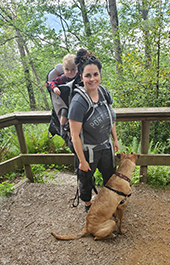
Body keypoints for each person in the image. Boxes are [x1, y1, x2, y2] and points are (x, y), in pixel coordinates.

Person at [68, 48, 119, 212]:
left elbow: (110, 118)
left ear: (100, 74)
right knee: (86, 180)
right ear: (81, 77)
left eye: (95, 74)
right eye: (88, 75)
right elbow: (74, 135)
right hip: (88, 151)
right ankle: (88, 205)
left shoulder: (104, 93)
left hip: (106, 146)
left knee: (110, 176)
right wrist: (82, 161)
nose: (92, 79)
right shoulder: (78, 102)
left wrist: (115, 139)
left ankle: (108, 201)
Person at [48, 53, 77, 135]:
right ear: (63, 69)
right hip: (65, 103)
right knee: (64, 113)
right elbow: (51, 82)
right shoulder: (63, 78)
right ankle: (62, 128)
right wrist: (54, 88)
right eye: (67, 70)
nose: (70, 72)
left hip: (76, 100)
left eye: (73, 69)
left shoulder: (79, 76)